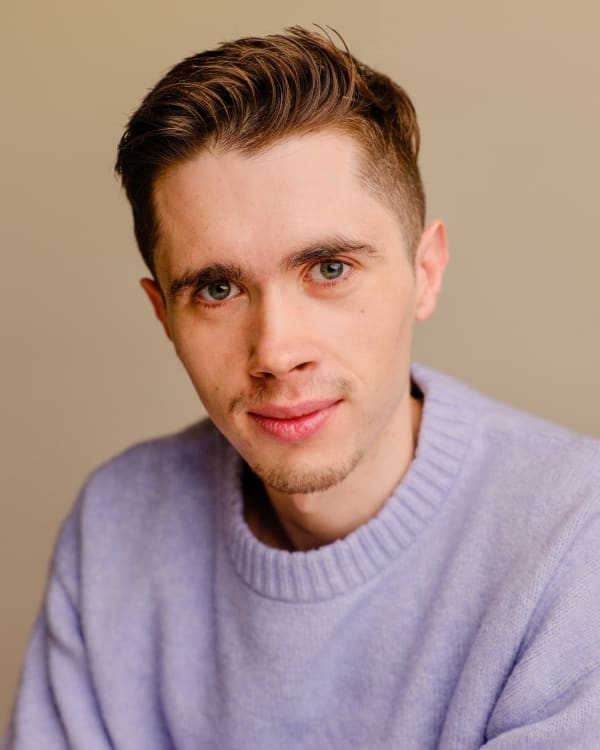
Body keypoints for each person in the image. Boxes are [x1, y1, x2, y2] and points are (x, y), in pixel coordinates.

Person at [3, 26, 600, 750]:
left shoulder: (576, 538)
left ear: (425, 272)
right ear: (164, 315)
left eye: (329, 269)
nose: (277, 353)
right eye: (216, 288)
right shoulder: (119, 524)